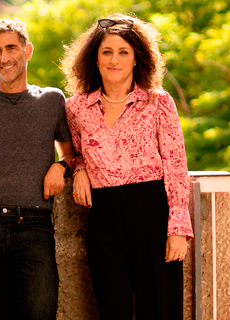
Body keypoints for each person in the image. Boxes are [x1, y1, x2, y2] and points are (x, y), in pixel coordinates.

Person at [61, 14, 194, 319]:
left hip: (153, 214)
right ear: (94, 60)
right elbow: (74, 151)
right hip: (103, 219)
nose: (114, 60)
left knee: (160, 309)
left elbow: (176, 165)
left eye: (124, 52)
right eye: (106, 52)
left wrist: (177, 228)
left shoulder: (158, 102)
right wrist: (79, 169)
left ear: (137, 59)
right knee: (112, 310)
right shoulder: (76, 108)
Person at [0, 18, 74, 320]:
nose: (4, 57)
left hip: (35, 226)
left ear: (28, 50)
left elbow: (71, 154)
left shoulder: (51, 100)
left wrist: (59, 166)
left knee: (40, 313)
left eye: (11, 47)